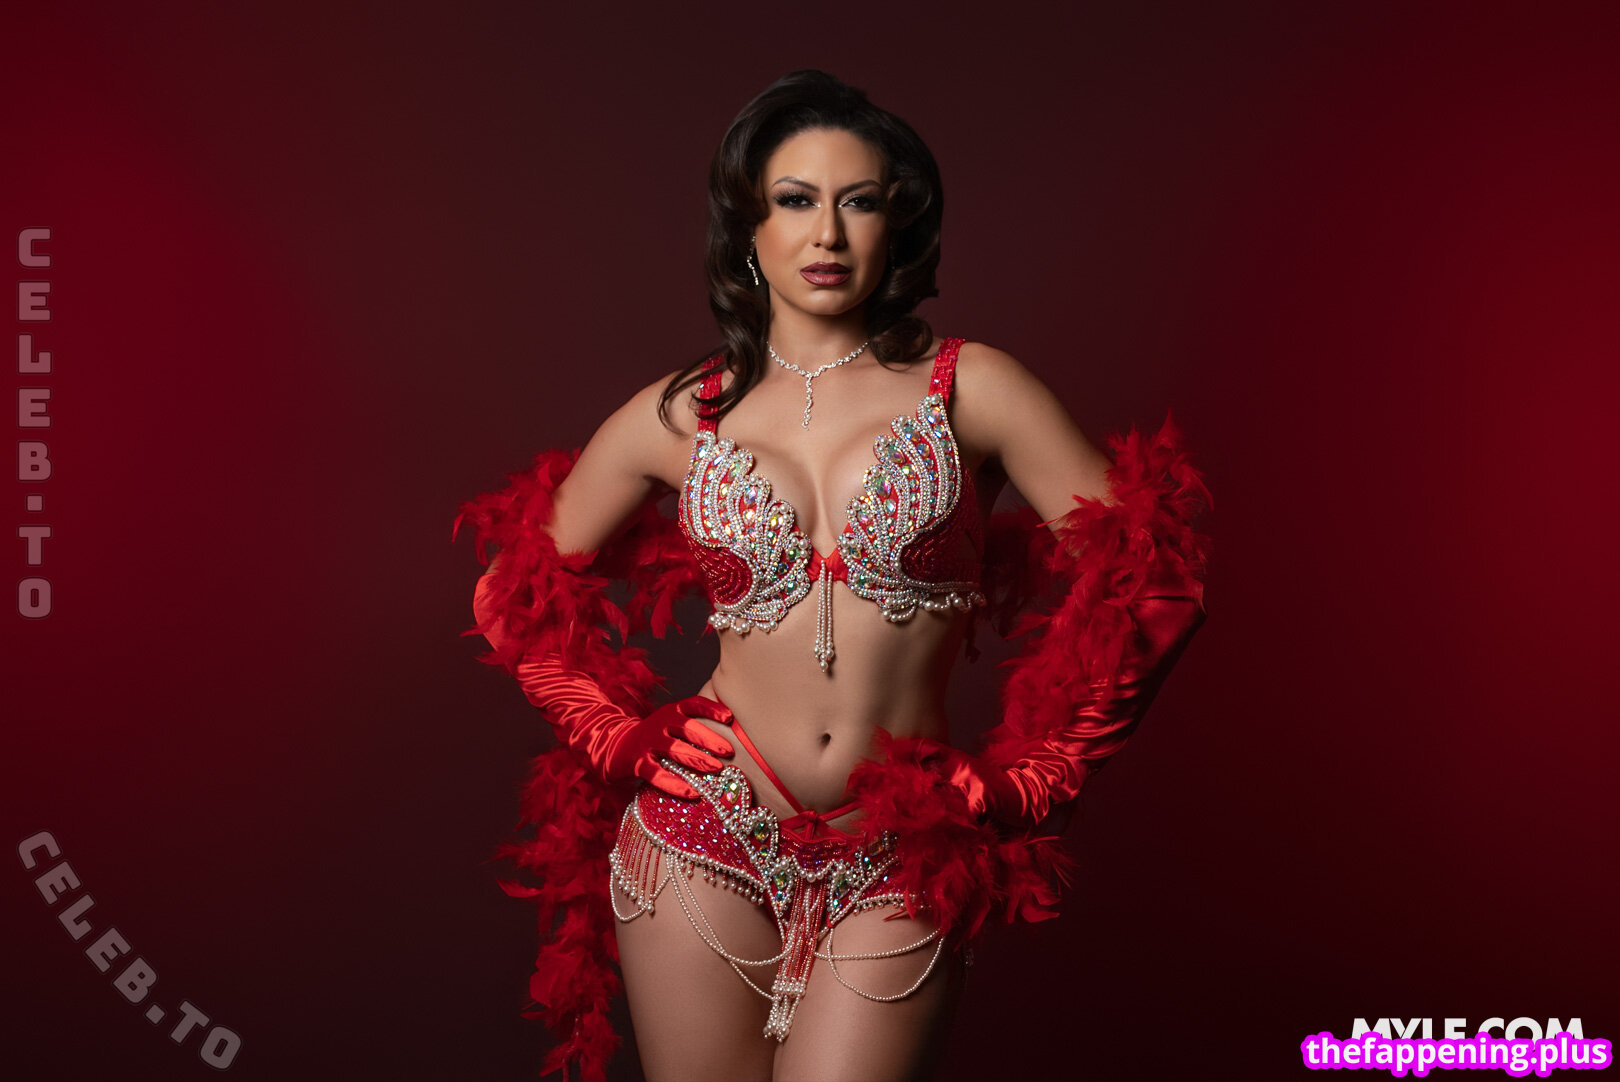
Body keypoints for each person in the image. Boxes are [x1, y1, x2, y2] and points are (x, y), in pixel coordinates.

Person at [453, 69, 1211, 1082]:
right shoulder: (682, 413)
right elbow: (513, 588)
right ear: (748, 226)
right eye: (795, 199)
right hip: (704, 823)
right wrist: (611, 731)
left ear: (898, 226)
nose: (828, 234)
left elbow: (1155, 580)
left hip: (901, 844)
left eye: (860, 202)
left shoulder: (975, 388)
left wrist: (1037, 774)